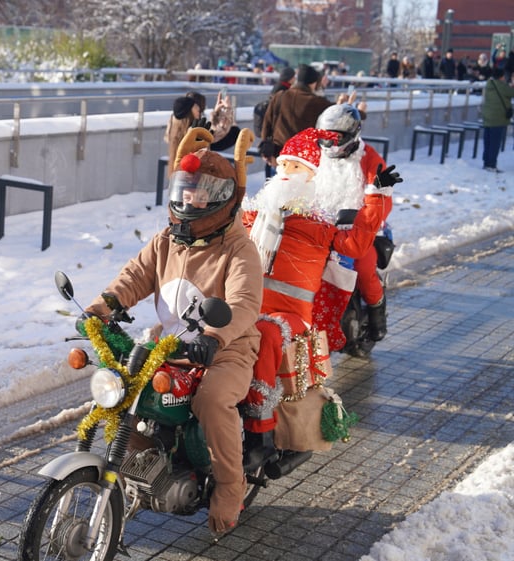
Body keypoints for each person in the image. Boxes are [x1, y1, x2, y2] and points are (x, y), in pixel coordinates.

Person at [82, 125, 262, 533]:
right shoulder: (167, 240)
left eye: (200, 194)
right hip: (170, 346)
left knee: (213, 400)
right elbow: (135, 276)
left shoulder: (238, 248)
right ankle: (143, 466)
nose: (189, 200)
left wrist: (214, 339)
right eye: (184, 190)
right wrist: (103, 306)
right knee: (124, 390)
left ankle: (231, 488)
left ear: (222, 200)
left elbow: (243, 303)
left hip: (227, 348)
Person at [240, 127, 392, 448]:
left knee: (266, 333)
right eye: (282, 166)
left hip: (289, 317)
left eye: (295, 167)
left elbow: (355, 243)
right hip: (248, 306)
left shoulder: (320, 226)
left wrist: (376, 196)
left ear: (312, 178)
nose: (285, 174)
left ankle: (260, 429)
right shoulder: (254, 215)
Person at [313, 104, 400, 351]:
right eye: (325, 137)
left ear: (352, 134)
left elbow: (382, 201)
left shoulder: (370, 158)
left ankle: (376, 316)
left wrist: (374, 201)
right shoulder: (316, 155)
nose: (329, 144)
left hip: (363, 231)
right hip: (322, 228)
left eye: (336, 138)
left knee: (363, 268)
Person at [165, 91, 235, 172]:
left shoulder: (174, 127)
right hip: (196, 176)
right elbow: (218, 132)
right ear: (189, 111)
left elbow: (210, 130)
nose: (199, 109)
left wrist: (216, 113)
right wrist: (228, 109)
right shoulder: (194, 132)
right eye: (195, 107)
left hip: (179, 175)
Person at [253, 66, 296, 178]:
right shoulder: (285, 91)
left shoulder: (276, 88)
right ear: (290, 78)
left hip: (270, 142)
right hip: (278, 140)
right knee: (278, 173)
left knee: (271, 172)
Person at [480, 67, 514, 173]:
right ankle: (492, 164)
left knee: (488, 141)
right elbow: (511, 93)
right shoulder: (502, 86)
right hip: (498, 118)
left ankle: (486, 163)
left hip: (488, 117)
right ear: (501, 77)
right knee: (495, 143)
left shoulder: (489, 84)